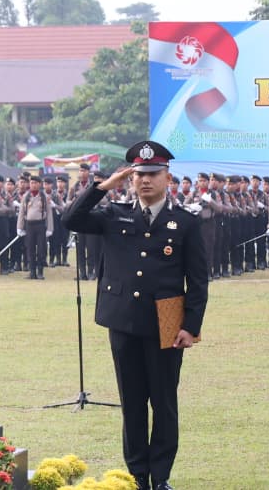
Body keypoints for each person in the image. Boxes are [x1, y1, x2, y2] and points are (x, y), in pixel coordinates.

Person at [63, 140, 208, 490]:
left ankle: (160, 478)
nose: (145, 181)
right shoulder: (115, 214)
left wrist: (191, 326)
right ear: (130, 178)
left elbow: (198, 279)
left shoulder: (184, 221)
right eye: (139, 174)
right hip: (124, 318)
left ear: (167, 177)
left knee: (164, 402)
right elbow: (71, 219)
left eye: (153, 174)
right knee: (132, 403)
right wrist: (103, 187)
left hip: (168, 319)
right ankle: (137, 476)